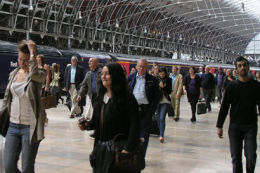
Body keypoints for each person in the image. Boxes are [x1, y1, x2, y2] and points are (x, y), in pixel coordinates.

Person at [78, 63, 141, 173]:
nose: (103, 77)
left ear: (115, 76)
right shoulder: (100, 97)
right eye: (102, 74)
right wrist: (86, 125)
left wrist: (128, 149)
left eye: (107, 74)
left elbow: (135, 125)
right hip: (102, 150)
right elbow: (95, 121)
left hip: (119, 151)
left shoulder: (127, 98)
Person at [2, 40, 47, 173]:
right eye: (20, 59)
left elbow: (33, 74)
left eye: (26, 60)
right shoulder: (14, 74)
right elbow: (6, 98)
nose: (22, 63)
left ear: (32, 59)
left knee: (27, 167)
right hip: (12, 126)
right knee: (9, 166)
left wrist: (33, 53)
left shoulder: (39, 74)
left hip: (30, 127)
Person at [217, 56, 260, 173]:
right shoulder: (232, 86)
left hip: (250, 126)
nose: (243, 68)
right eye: (240, 66)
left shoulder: (256, 86)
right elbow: (225, 106)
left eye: (244, 65)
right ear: (236, 69)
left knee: (251, 157)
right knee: (236, 158)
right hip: (235, 126)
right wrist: (219, 125)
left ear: (248, 67)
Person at [127, 58, 160, 157]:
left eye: (143, 67)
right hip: (132, 110)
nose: (141, 68)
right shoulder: (130, 77)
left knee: (144, 135)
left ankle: (141, 156)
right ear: (136, 67)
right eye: (140, 66)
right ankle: (131, 153)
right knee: (131, 133)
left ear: (147, 67)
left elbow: (156, 97)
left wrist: (151, 111)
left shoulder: (152, 80)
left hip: (145, 111)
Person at [156, 67, 172, 143]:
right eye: (160, 74)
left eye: (163, 74)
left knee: (162, 118)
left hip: (165, 101)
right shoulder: (156, 79)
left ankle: (161, 135)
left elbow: (169, 91)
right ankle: (160, 132)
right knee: (158, 118)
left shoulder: (169, 80)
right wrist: (158, 86)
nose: (162, 75)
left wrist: (164, 87)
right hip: (157, 101)